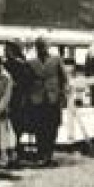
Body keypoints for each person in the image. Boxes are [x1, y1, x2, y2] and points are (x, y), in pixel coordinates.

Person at [29, 37, 69, 166]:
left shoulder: (56, 59)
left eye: (43, 45)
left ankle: (49, 154)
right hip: (37, 98)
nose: (41, 48)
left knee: (52, 126)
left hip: (53, 97)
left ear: (47, 46)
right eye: (38, 46)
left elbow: (64, 78)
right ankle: (41, 154)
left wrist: (63, 95)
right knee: (38, 127)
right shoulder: (31, 61)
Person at [3, 40, 37, 163]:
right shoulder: (5, 63)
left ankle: (15, 151)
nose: (5, 52)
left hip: (18, 98)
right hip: (7, 98)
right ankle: (10, 150)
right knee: (9, 125)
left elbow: (29, 80)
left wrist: (18, 85)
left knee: (16, 124)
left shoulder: (20, 64)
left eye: (7, 49)